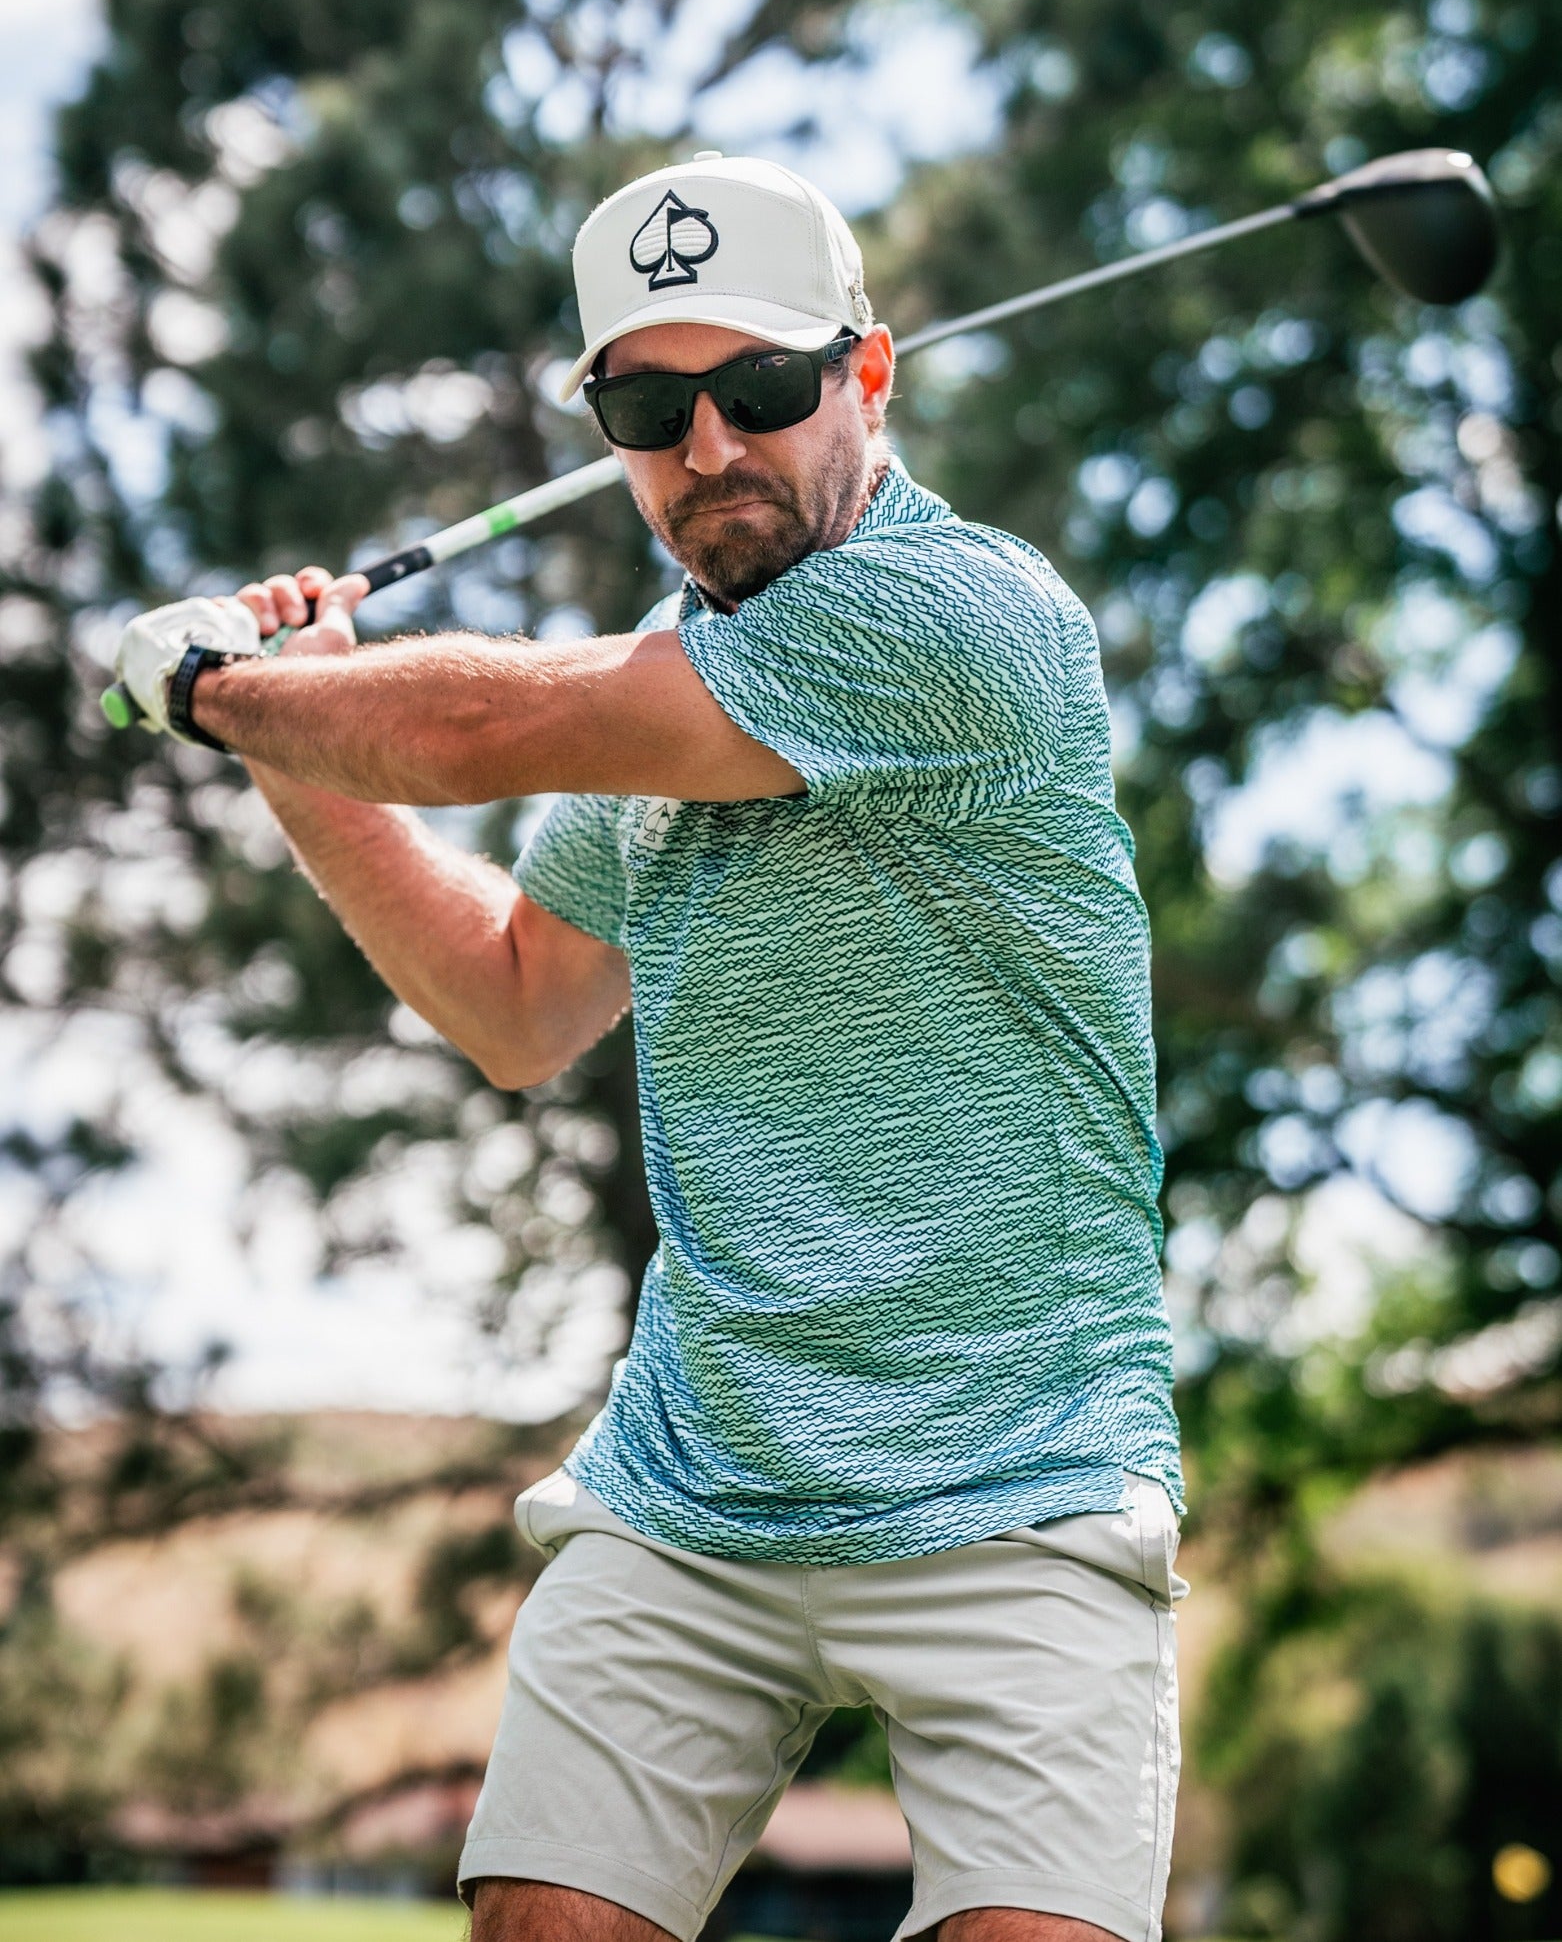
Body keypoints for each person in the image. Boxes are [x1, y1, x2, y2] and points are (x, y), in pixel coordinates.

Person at [114, 153, 1186, 1942]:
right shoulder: (661, 697)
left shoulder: (967, 620)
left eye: (759, 392)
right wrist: (293, 746)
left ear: (867, 378)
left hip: (1025, 1470)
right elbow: (515, 1007)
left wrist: (222, 692)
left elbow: (465, 728)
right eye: (647, 403)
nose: (706, 452)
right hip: (701, 1478)